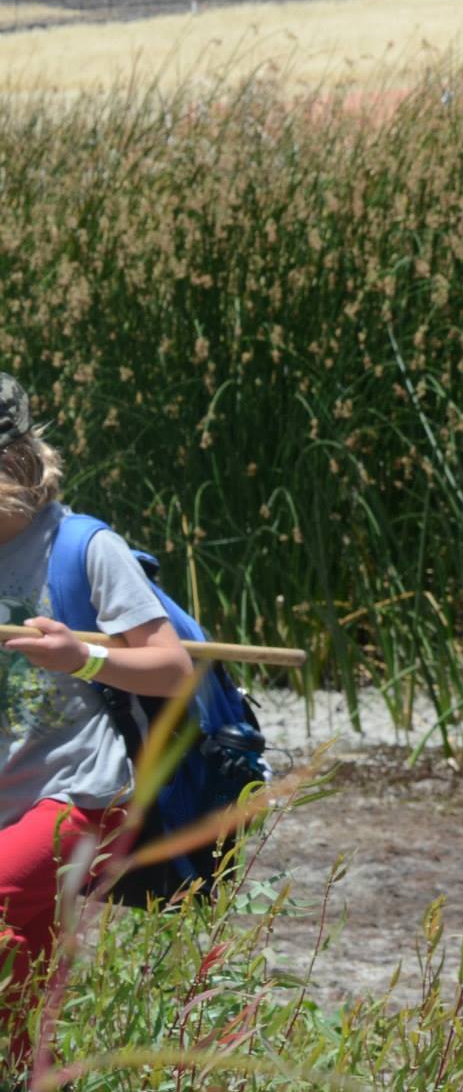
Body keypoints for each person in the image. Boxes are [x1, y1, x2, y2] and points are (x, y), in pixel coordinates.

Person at [0, 374, 193, 1053]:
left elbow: (172, 667)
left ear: (13, 464)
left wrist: (80, 656)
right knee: (18, 966)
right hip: (8, 793)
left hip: (84, 791)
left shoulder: (84, 547)